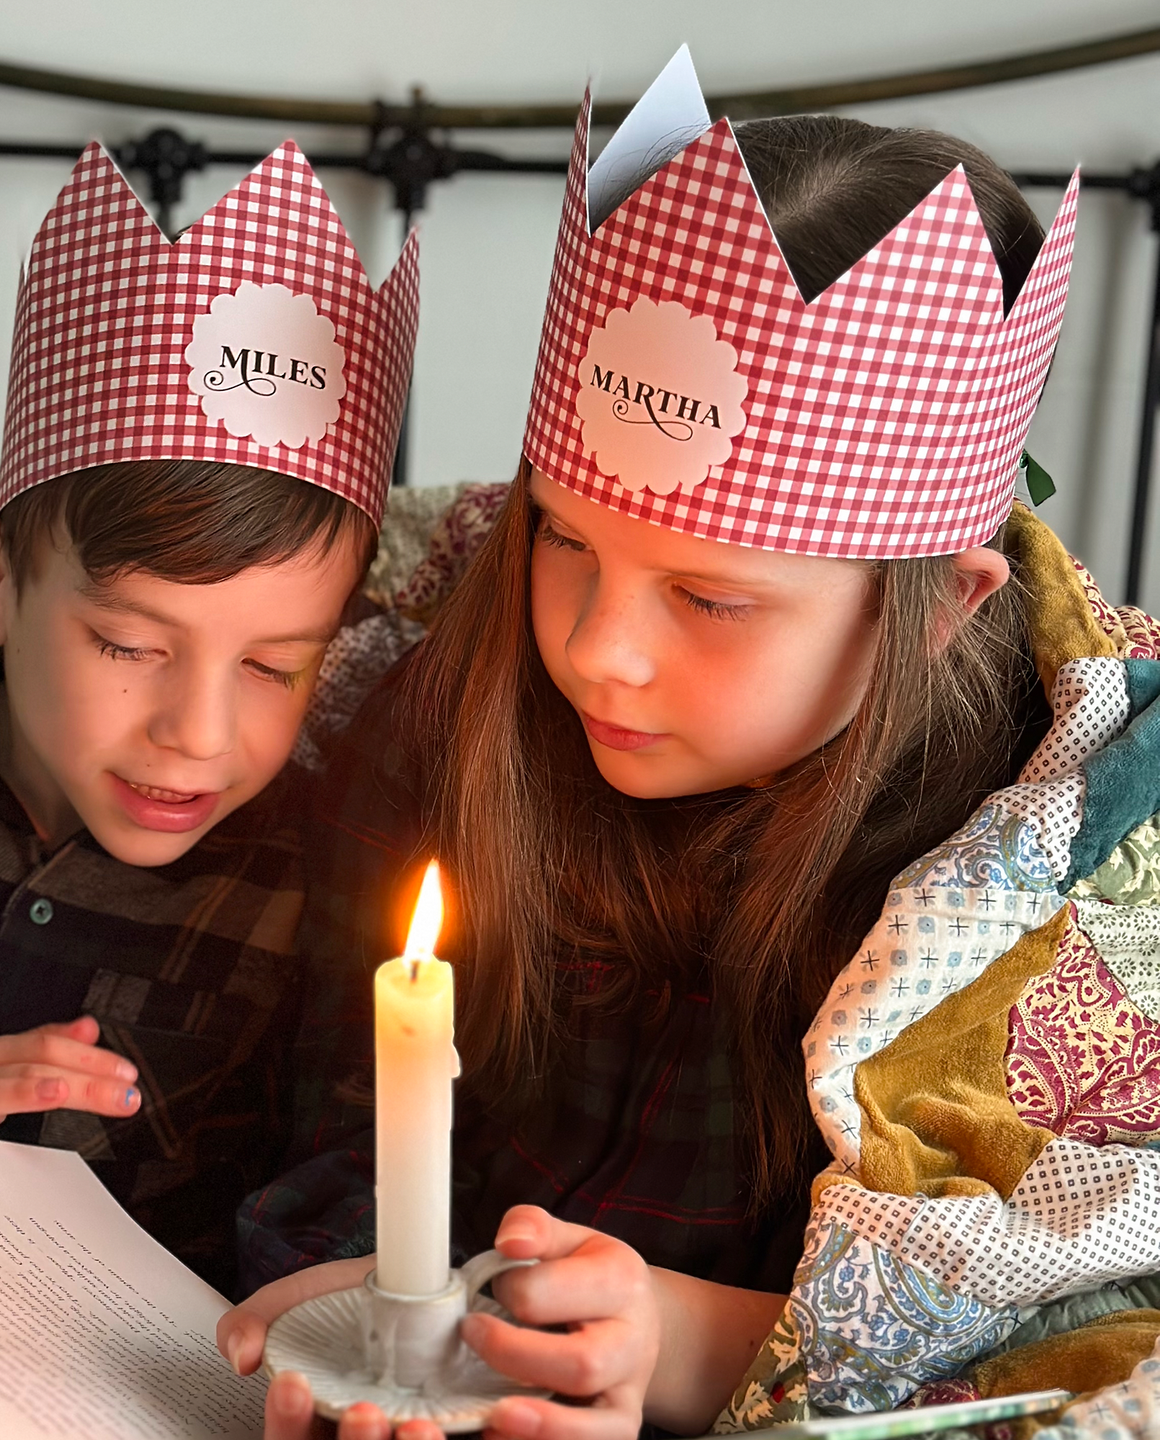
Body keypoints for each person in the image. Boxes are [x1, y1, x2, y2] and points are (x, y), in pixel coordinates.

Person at [221, 47, 1160, 1440]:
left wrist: (666, 1348)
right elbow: (340, 1111)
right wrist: (372, 1301)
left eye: (713, 598)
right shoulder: (453, 703)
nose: (601, 647)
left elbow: (1062, 1331)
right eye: (567, 539)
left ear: (949, 606)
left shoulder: (1052, 874)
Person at [0, 137, 423, 1297]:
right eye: (129, 645)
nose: (198, 733)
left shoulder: (319, 889)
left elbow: (343, 1203)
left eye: (275, 666)